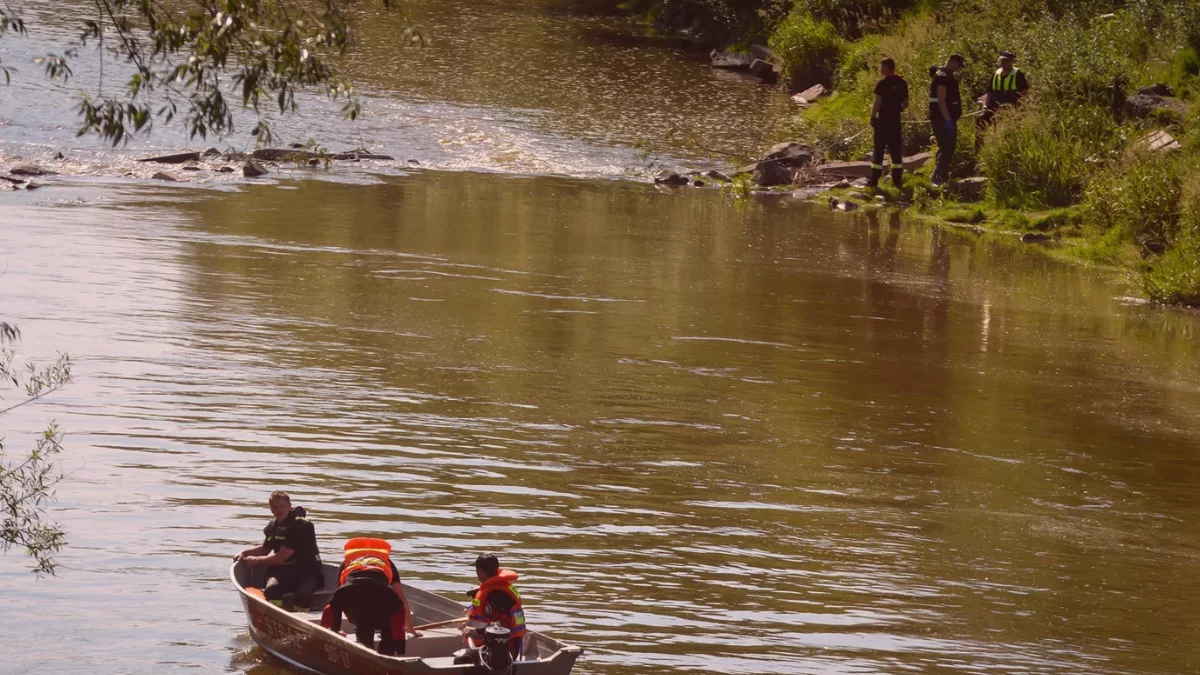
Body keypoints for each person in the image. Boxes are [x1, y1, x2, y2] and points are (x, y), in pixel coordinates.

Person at [321, 537, 420, 655]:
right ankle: (385, 657)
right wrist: (410, 629)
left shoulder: (348, 561)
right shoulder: (386, 562)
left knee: (363, 625)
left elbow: (338, 597)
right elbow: (402, 600)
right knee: (388, 628)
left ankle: (366, 652)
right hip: (382, 592)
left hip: (353, 592)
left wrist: (334, 629)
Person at [233, 491, 323, 611]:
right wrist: (245, 553)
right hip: (284, 571)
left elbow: (280, 558)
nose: (279, 510)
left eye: (282, 506)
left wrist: (255, 561)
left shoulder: (301, 526)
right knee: (272, 590)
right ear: (270, 509)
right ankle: (277, 613)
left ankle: (299, 617)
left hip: (307, 572)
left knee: (304, 595)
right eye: (275, 507)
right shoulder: (273, 526)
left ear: (289, 506)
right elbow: (265, 549)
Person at [463, 553, 526, 660]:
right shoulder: (498, 588)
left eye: (477, 570)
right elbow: (490, 615)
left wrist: (476, 631)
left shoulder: (496, 595)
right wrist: (469, 616)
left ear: (481, 571)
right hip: (496, 645)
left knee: (460, 660)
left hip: (502, 649)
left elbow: (504, 625)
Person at [868, 57, 909, 190]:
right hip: (895, 122)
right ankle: (897, 180)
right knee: (895, 151)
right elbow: (906, 104)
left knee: (879, 151)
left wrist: (873, 116)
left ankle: (874, 181)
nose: (879, 69)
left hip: (882, 122)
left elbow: (877, 103)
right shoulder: (902, 83)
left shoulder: (882, 83)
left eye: (880, 67)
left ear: (886, 67)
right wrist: (897, 109)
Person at [975, 50, 1029, 149]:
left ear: (1012, 61)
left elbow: (1024, 92)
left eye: (1006, 60)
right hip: (994, 107)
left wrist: (1021, 108)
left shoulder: (1018, 74)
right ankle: (978, 147)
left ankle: (1007, 148)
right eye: (1002, 60)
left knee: (1008, 129)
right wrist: (985, 105)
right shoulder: (996, 74)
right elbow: (989, 92)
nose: (1004, 63)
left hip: (1011, 109)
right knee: (980, 119)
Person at [928, 54, 965, 186]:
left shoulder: (944, 75)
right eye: (958, 65)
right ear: (953, 62)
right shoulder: (943, 77)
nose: (958, 69)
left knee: (945, 146)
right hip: (942, 118)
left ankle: (941, 175)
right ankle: (937, 177)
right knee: (948, 146)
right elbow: (941, 99)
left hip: (943, 117)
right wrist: (948, 119)